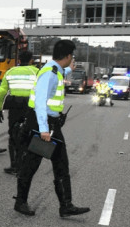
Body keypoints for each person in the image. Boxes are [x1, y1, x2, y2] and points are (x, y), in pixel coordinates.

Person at [14, 40, 90, 217]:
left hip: (52, 124)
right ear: (68, 55)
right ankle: (20, 201)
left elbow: (62, 71)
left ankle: (66, 205)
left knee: (61, 163)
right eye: (72, 56)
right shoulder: (49, 73)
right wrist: (44, 129)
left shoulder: (55, 70)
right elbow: (40, 103)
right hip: (42, 124)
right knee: (31, 164)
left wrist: (71, 68)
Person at [0, 51, 39, 175]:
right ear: (31, 60)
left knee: (13, 136)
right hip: (31, 108)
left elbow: (1, 93)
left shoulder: (10, 72)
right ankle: (26, 166)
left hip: (15, 108)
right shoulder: (36, 72)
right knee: (29, 135)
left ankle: (14, 165)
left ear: (18, 60)